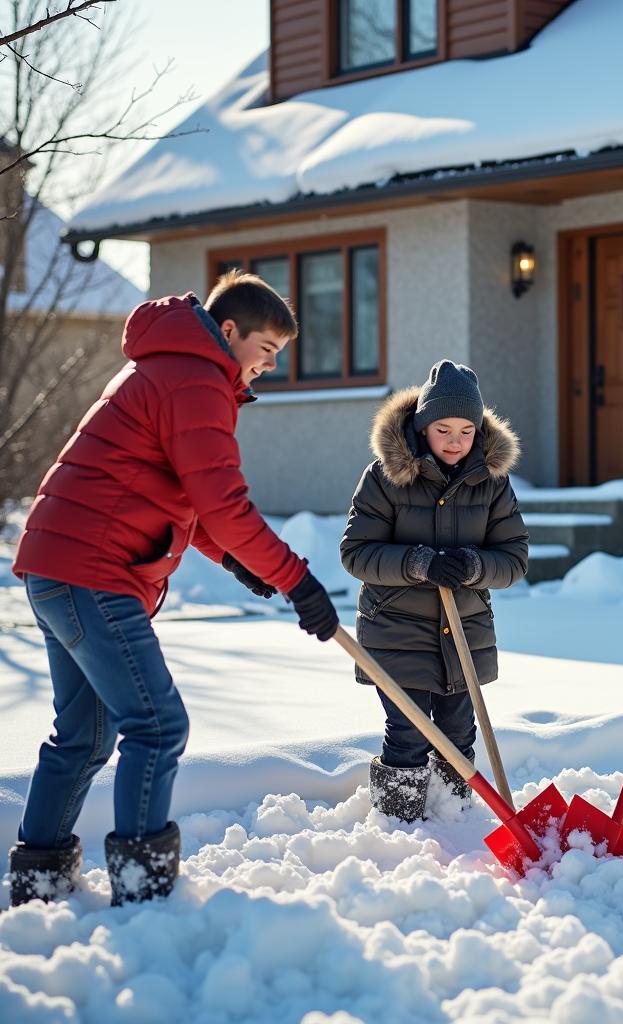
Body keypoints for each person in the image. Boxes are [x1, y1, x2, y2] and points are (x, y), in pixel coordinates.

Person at [8, 271, 339, 907]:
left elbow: (181, 496)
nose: (269, 367)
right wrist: (297, 579)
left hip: (59, 566)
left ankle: (38, 881)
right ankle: (143, 887)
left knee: (84, 735)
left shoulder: (170, 366)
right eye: (266, 351)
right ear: (231, 332)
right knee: (157, 727)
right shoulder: (196, 380)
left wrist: (235, 562)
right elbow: (223, 501)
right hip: (93, 571)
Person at [341, 360, 528, 822]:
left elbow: (514, 559)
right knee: (408, 732)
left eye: (467, 431)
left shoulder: (492, 482)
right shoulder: (385, 476)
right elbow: (356, 553)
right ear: (423, 426)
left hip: (464, 631)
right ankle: (398, 824)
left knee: (459, 732)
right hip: (397, 629)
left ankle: (453, 823)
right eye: (443, 429)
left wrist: (472, 565)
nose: (455, 441)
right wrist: (419, 563)